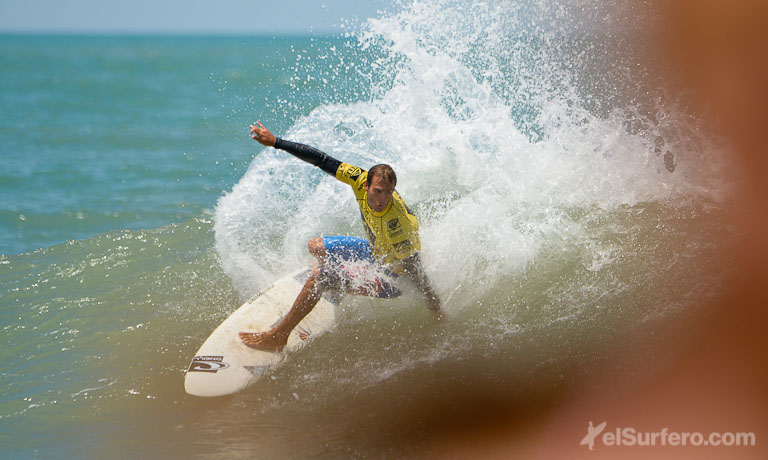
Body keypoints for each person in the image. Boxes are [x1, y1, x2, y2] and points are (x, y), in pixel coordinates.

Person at [239, 122, 443, 352]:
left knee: (319, 277)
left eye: (388, 192)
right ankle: (338, 284)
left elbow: (414, 269)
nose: (382, 199)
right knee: (317, 246)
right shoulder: (358, 178)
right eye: (377, 191)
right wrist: (277, 142)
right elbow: (321, 160)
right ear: (365, 184)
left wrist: (434, 305)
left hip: (393, 276)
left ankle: (279, 337)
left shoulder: (397, 225)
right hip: (376, 250)